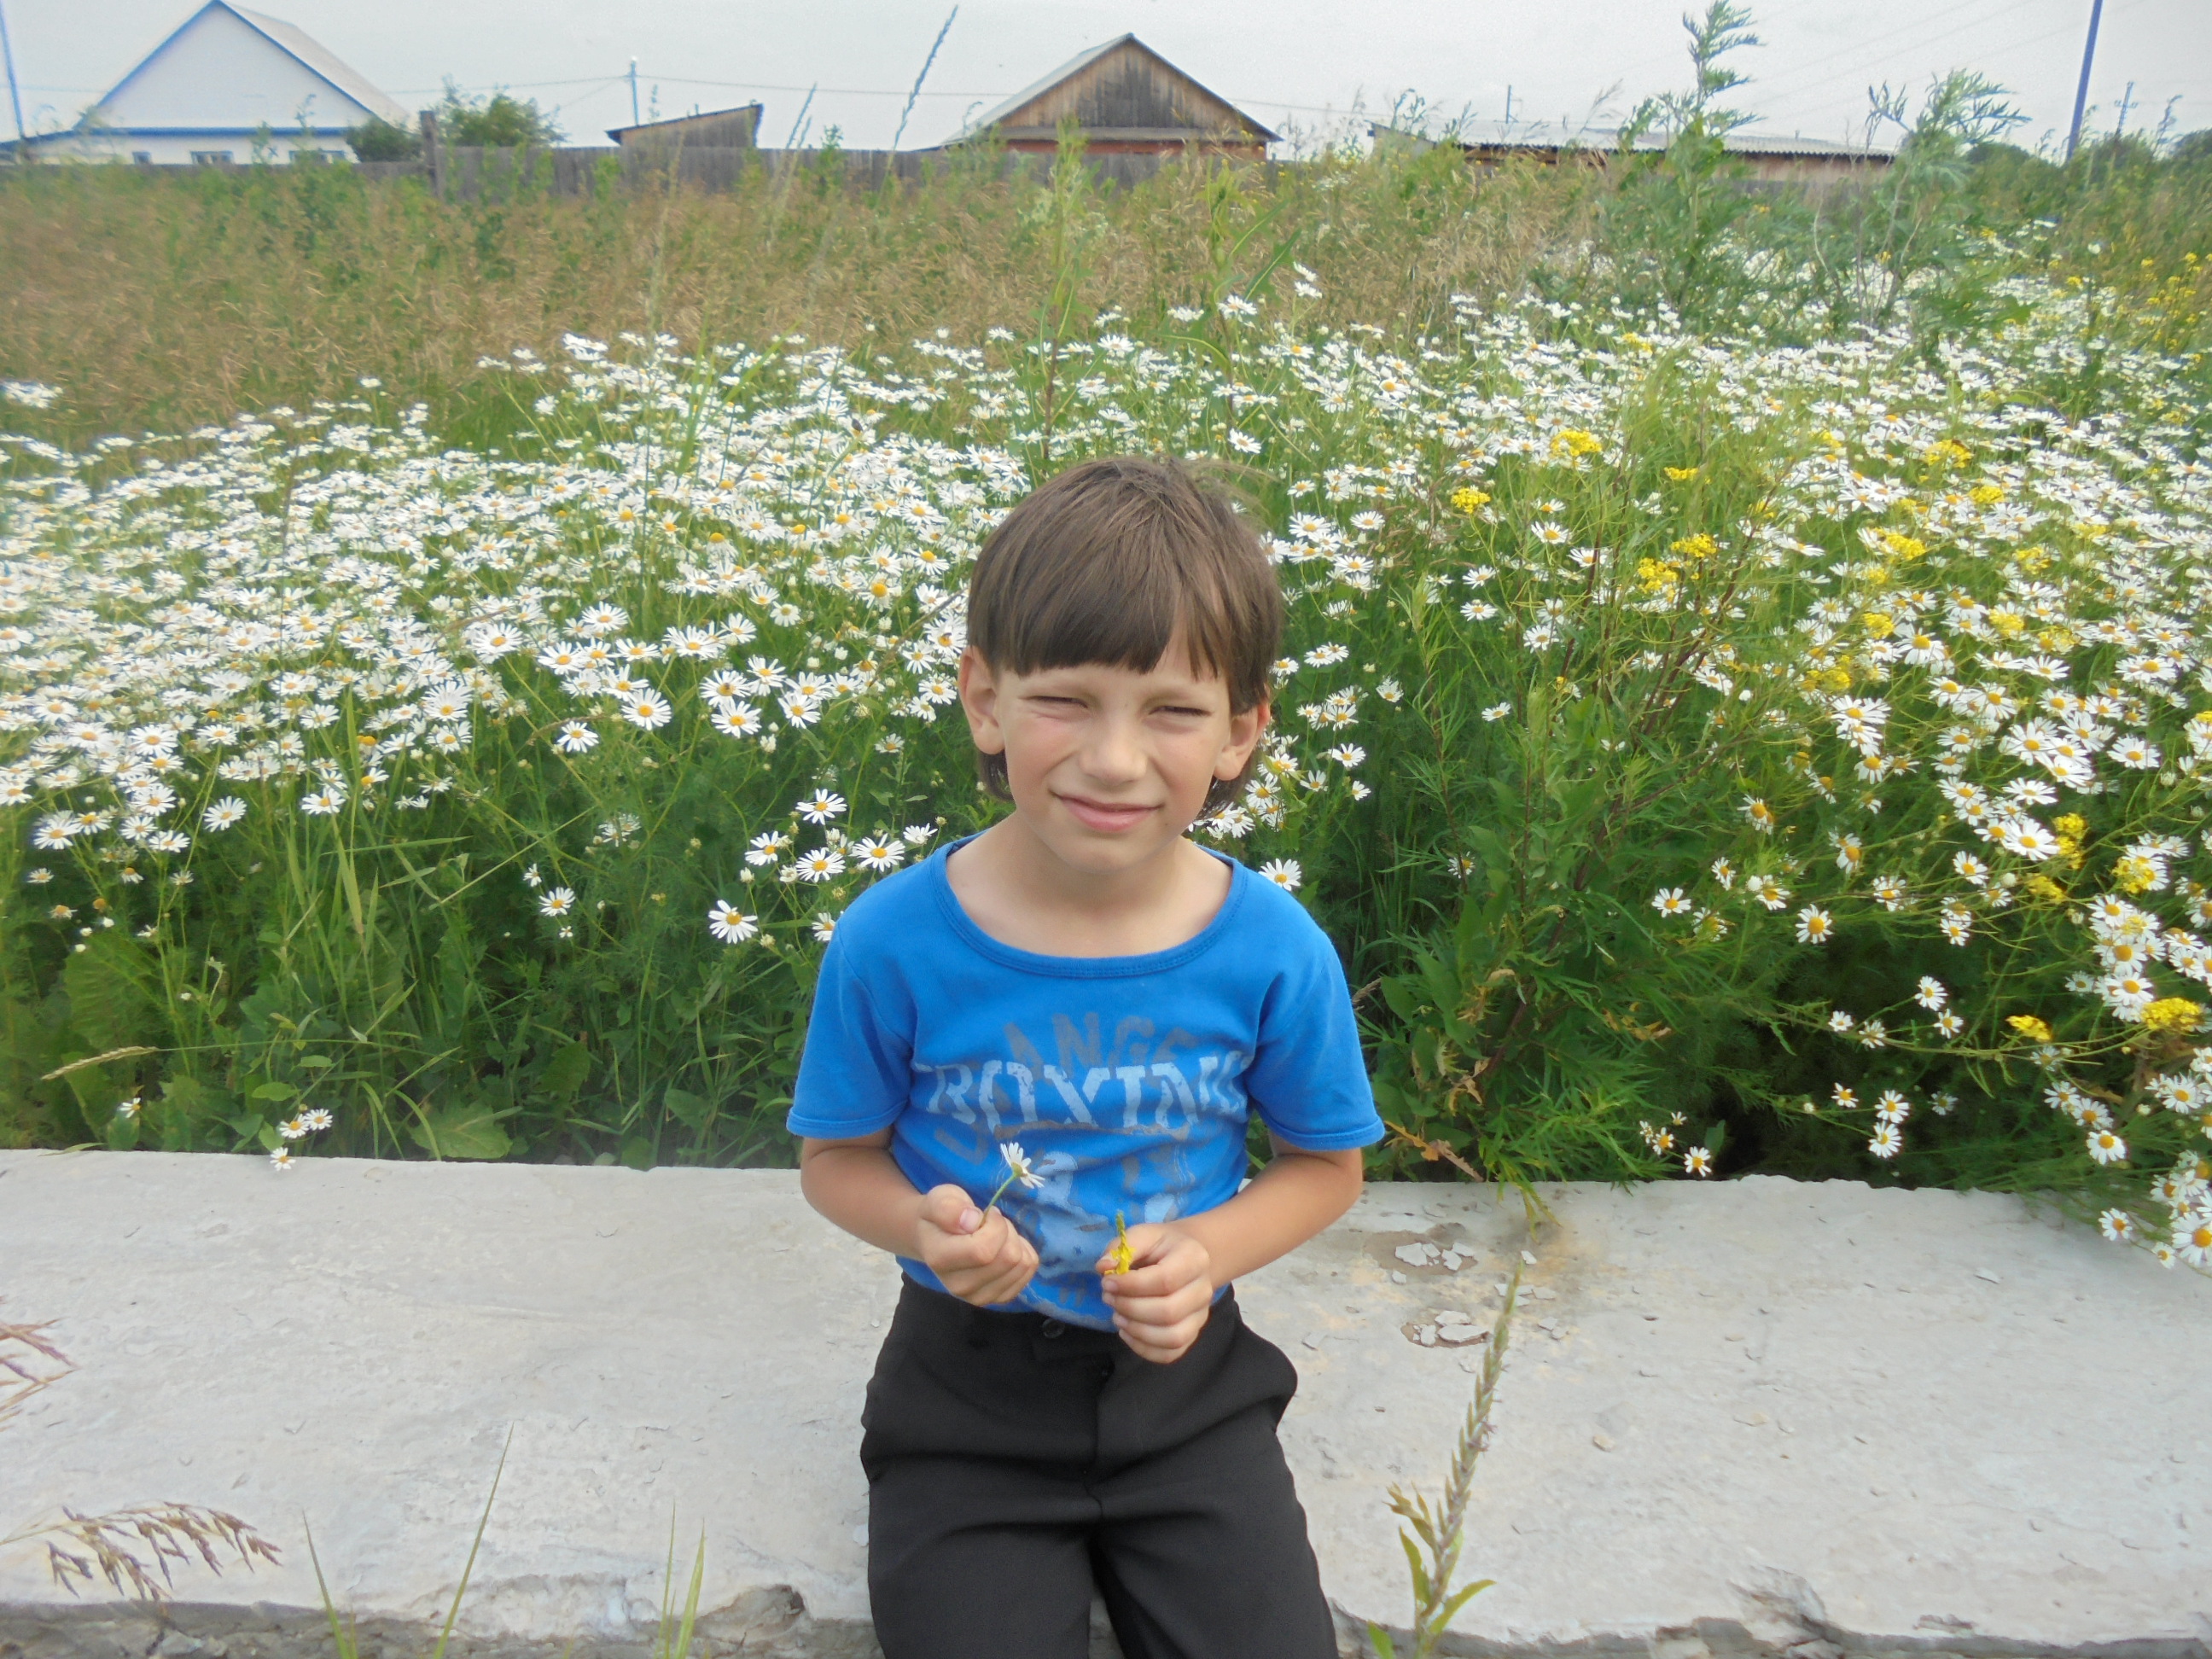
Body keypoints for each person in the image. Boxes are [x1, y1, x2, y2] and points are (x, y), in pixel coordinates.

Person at [787, 454, 1384, 1659]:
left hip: (1192, 1397)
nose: (1115, 759)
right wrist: (925, 1231)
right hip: (961, 1412)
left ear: (1242, 731)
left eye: (1173, 710)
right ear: (984, 699)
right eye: (1066, 699)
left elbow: (1326, 1168)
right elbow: (835, 1161)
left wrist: (1206, 1255)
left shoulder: (1272, 949)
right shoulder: (894, 940)